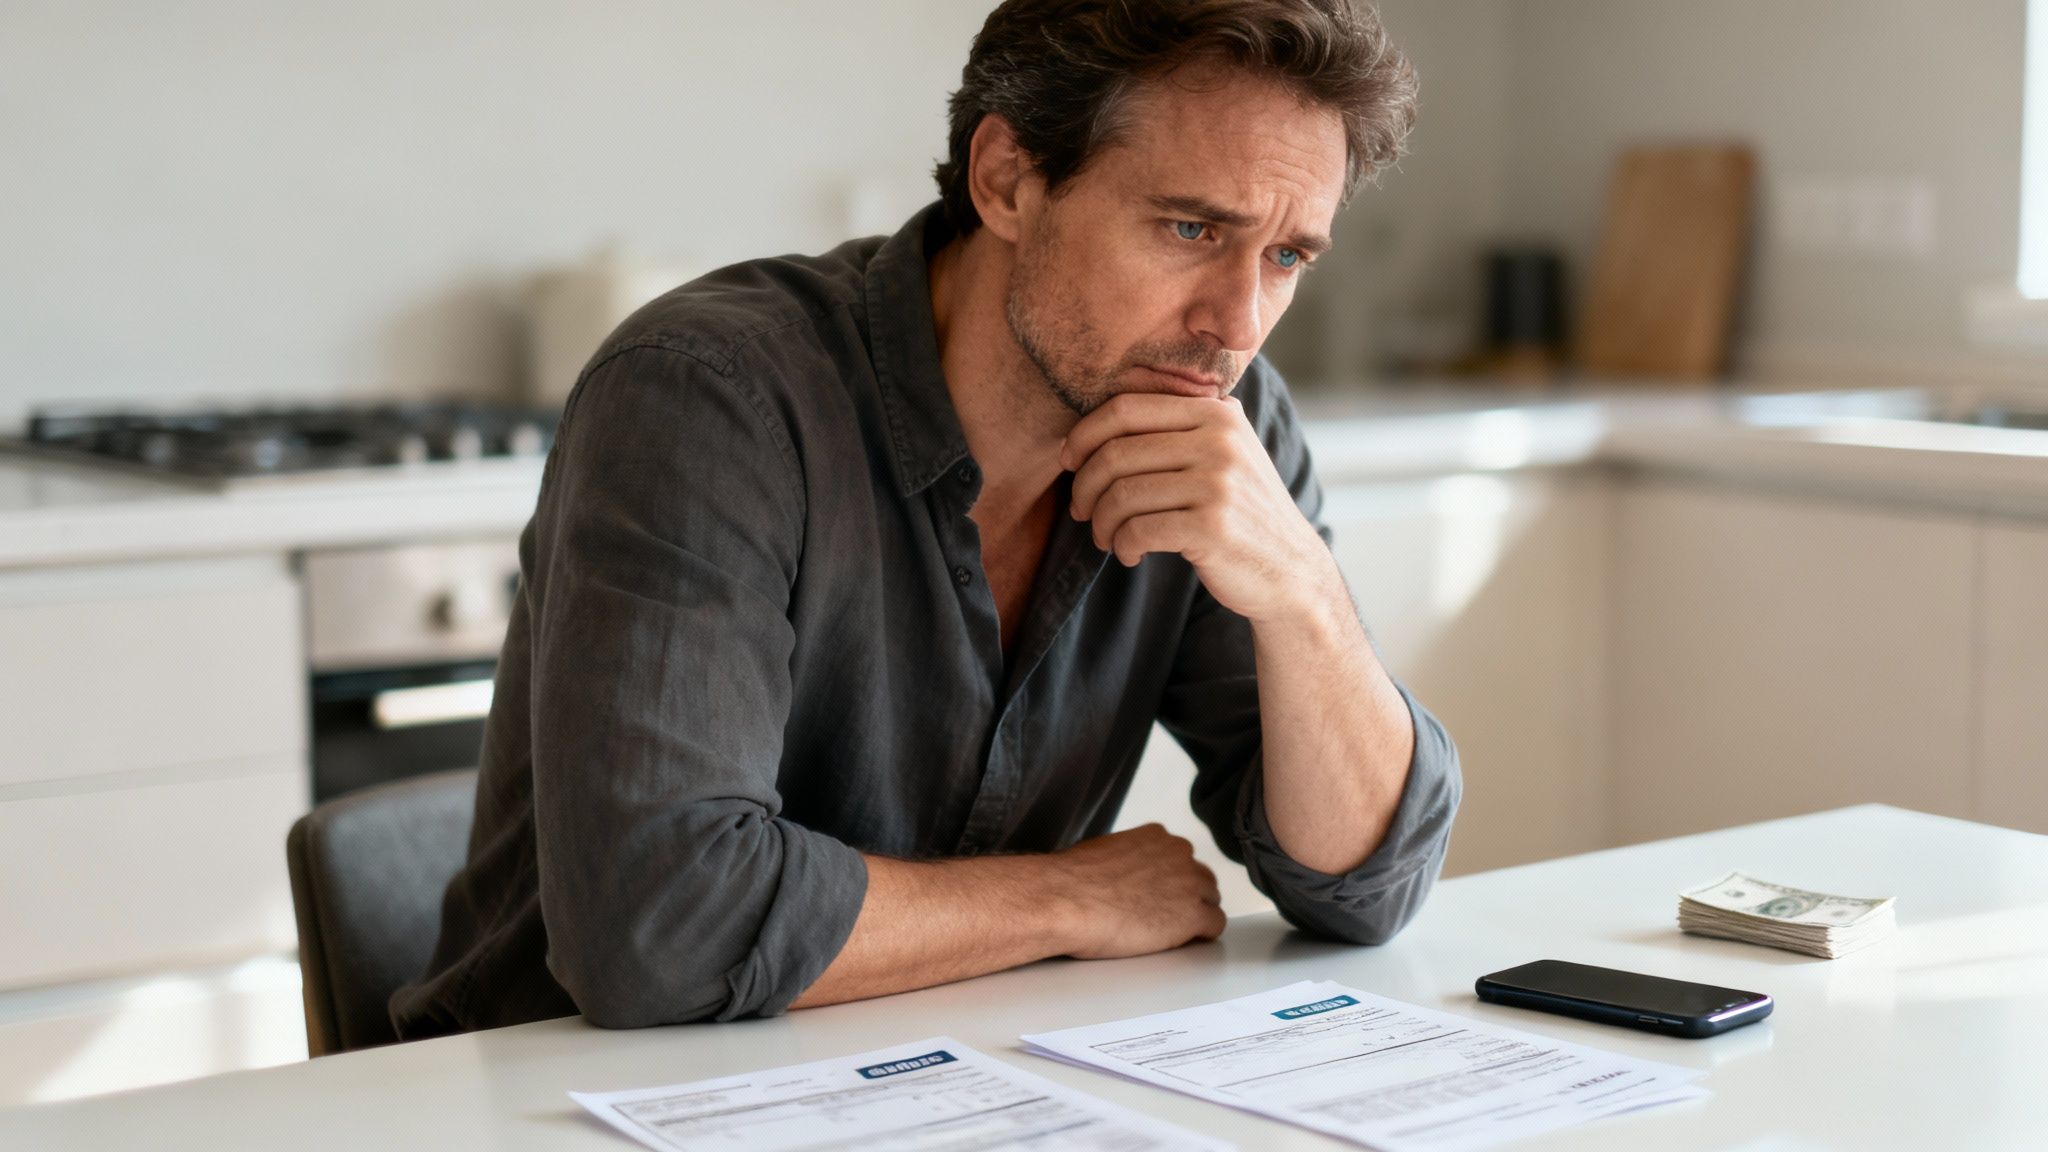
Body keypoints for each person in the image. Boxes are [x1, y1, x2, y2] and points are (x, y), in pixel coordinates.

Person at [392, 0, 1459, 1037]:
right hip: (559, 1097)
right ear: (1005, 179)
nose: (1235, 325)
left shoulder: (1211, 415)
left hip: (953, 1076)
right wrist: (1066, 900)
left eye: (1284, 259)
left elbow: (1362, 887)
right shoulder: (708, 395)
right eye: (1189, 228)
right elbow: (659, 931)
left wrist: (1305, 600)